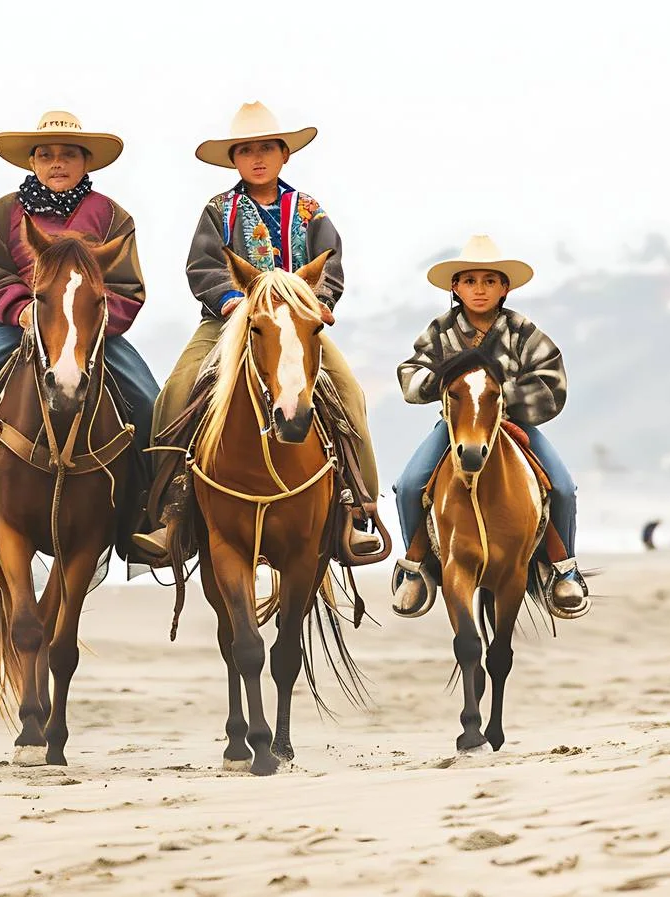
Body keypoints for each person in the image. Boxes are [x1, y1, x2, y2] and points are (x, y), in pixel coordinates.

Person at [134, 100, 380, 562]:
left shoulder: (309, 211)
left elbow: (329, 264)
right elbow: (203, 265)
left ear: (285, 154)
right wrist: (231, 300)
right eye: (246, 150)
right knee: (177, 390)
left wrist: (320, 304)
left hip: (297, 325)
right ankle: (170, 509)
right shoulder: (218, 210)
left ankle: (356, 508)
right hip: (227, 322)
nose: (257, 157)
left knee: (348, 392)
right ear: (234, 159)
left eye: (267, 148)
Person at [0, 110, 161, 557]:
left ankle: (147, 514)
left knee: (150, 402)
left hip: (90, 331)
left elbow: (127, 286)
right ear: (32, 162)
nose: (57, 163)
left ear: (86, 161)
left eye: (68, 154)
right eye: (46, 155)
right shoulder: (4, 211)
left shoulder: (113, 217)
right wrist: (22, 310)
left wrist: (90, 323)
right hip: (16, 326)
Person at [389, 234, 586, 615]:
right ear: (455, 287)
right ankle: (418, 568)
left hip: (512, 425)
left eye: (490, 281)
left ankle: (563, 569)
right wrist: (445, 384)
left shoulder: (522, 331)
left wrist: (500, 396)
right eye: (470, 281)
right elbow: (410, 374)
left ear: (504, 288)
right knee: (409, 486)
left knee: (563, 487)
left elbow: (552, 383)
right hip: (456, 427)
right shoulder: (441, 330)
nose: (479, 290)